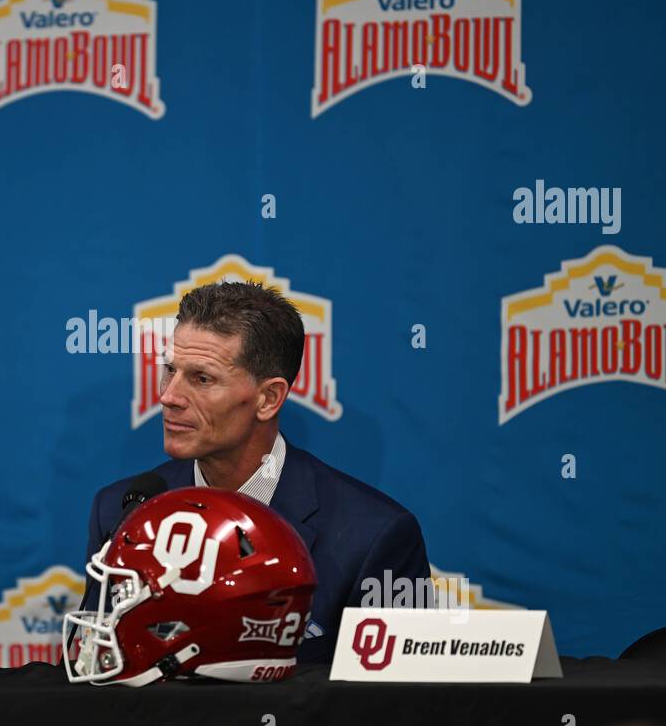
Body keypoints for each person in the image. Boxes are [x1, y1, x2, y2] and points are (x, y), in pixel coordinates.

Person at [82, 281, 431, 663]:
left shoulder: (375, 536)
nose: (168, 397)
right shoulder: (122, 510)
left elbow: (395, 705)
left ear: (269, 399)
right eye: (170, 370)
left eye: (202, 379)